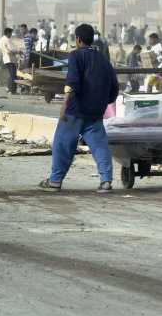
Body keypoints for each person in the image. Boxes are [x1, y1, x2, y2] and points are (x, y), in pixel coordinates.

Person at [38, 24, 120, 193]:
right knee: (99, 146)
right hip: (96, 111)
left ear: (78, 39)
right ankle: (106, 182)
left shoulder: (76, 55)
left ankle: (55, 181)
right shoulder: (103, 58)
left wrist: (64, 105)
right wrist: (103, 102)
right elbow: (114, 86)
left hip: (75, 110)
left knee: (63, 143)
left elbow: (73, 81)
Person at [0, 27, 19, 94]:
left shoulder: (1, 39)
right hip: (10, 59)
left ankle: (9, 88)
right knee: (14, 76)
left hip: (5, 59)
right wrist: (19, 51)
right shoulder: (7, 40)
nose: (11, 35)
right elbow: (12, 49)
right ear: (8, 33)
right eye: (10, 33)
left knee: (11, 75)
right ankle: (12, 90)